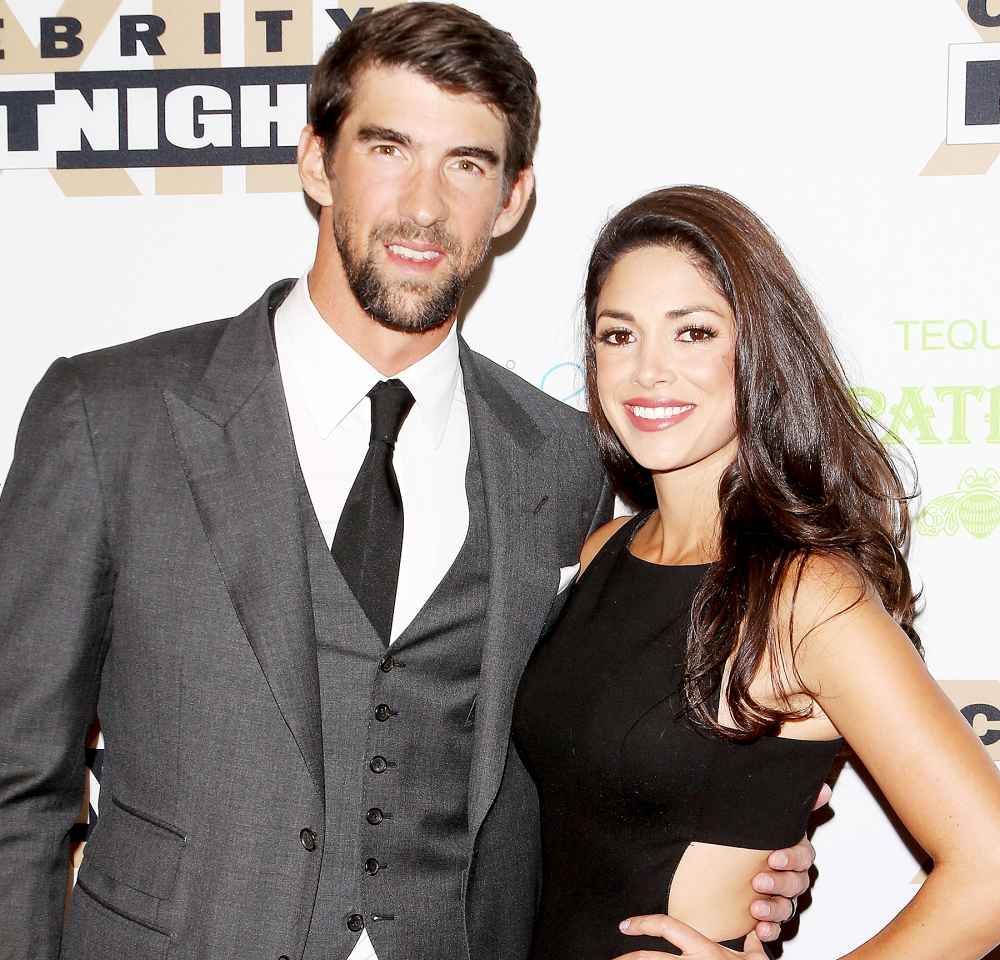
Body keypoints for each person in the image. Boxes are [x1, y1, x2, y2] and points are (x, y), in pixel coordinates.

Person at [0, 10, 815, 960]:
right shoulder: (111, 416)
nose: (425, 207)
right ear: (317, 162)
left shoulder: (570, 458)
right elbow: (17, 776)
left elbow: (601, 748)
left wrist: (748, 839)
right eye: (389, 148)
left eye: (467, 164)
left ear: (513, 199)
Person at [513, 184, 1000, 960]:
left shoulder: (806, 596)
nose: (648, 372)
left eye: (694, 332)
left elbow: (992, 873)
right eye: (618, 335)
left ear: (759, 352)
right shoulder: (606, 549)